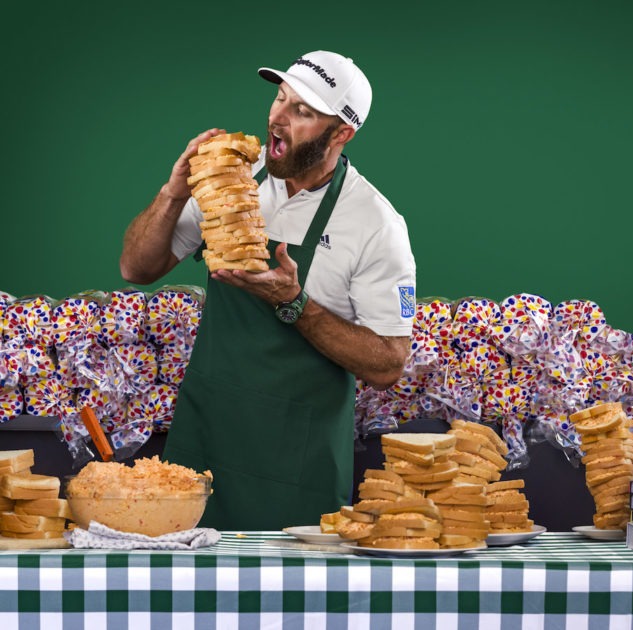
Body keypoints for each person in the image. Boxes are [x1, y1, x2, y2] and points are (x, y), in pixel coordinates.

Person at [120, 51, 416, 529]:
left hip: (297, 461)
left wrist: (294, 304)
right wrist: (174, 193)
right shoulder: (235, 175)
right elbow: (137, 267)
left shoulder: (375, 224)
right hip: (206, 433)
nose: (277, 118)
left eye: (303, 111)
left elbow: (389, 363)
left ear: (341, 133)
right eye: (281, 98)